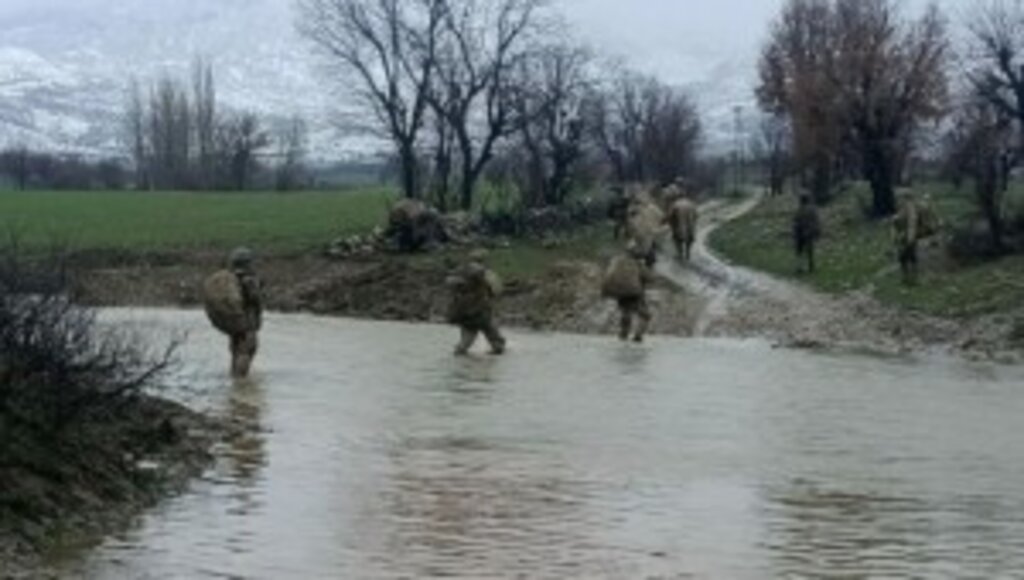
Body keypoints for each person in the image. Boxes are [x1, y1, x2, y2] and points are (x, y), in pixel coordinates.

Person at [202, 247, 264, 378]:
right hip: (245, 321)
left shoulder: (231, 278)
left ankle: (234, 376)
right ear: (248, 263)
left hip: (234, 321)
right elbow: (254, 299)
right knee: (247, 350)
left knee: (236, 350)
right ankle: (241, 381)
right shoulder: (248, 279)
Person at [447, 249, 506, 356]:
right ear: (484, 259)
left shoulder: (459, 271)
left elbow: (449, 284)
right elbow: (497, 289)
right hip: (480, 311)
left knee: (465, 341)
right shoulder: (484, 272)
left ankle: (460, 362)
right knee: (496, 340)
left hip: (461, 311)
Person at [602, 241, 655, 343]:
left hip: (619, 293)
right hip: (634, 293)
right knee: (645, 315)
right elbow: (650, 278)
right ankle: (638, 336)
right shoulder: (637, 264)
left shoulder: (616, 260)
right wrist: (650, 266)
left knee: (626, 313)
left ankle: (623, 335)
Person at [792, 193, 822, 274]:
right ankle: (811, 266)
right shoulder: (813, 210)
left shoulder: (799, 210)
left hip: (800, 233)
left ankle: (799, 267)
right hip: (809, 232)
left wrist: (795, 234)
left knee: (799, 251)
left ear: (801, 201)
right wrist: (817, 232)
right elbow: (817, 222)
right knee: (809, 251)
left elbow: (795, 222)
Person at [667, 195, 699, 261]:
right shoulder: (691, 204)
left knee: (677, 240)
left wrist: (672, 225)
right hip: (690, 227)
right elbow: (696, 215)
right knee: (689, 240)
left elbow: (670, 216)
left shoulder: (675, 205)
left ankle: (680, 254)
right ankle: (687, 253)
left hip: (679, 226)